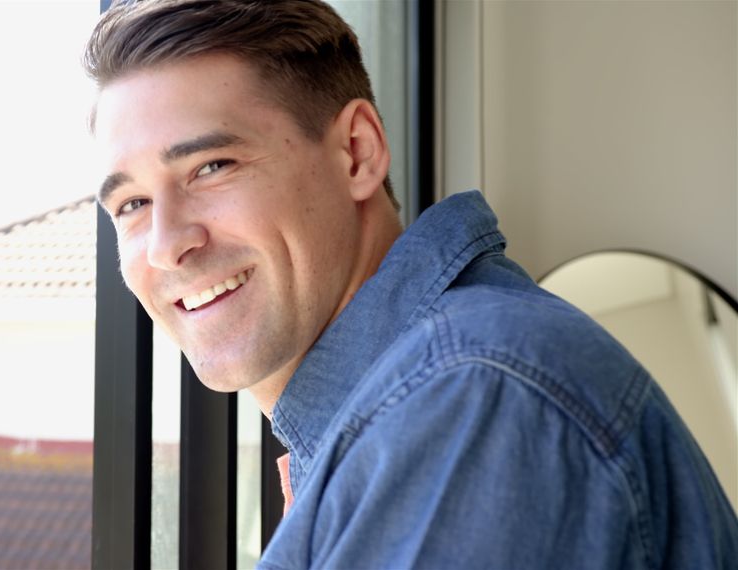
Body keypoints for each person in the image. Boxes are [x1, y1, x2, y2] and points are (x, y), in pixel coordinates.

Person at [83, 0, 738, 567]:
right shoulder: (399, 414)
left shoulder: (471, 396)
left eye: (211, 166)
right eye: (131, 206)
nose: (168, 245)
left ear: (357, 154)